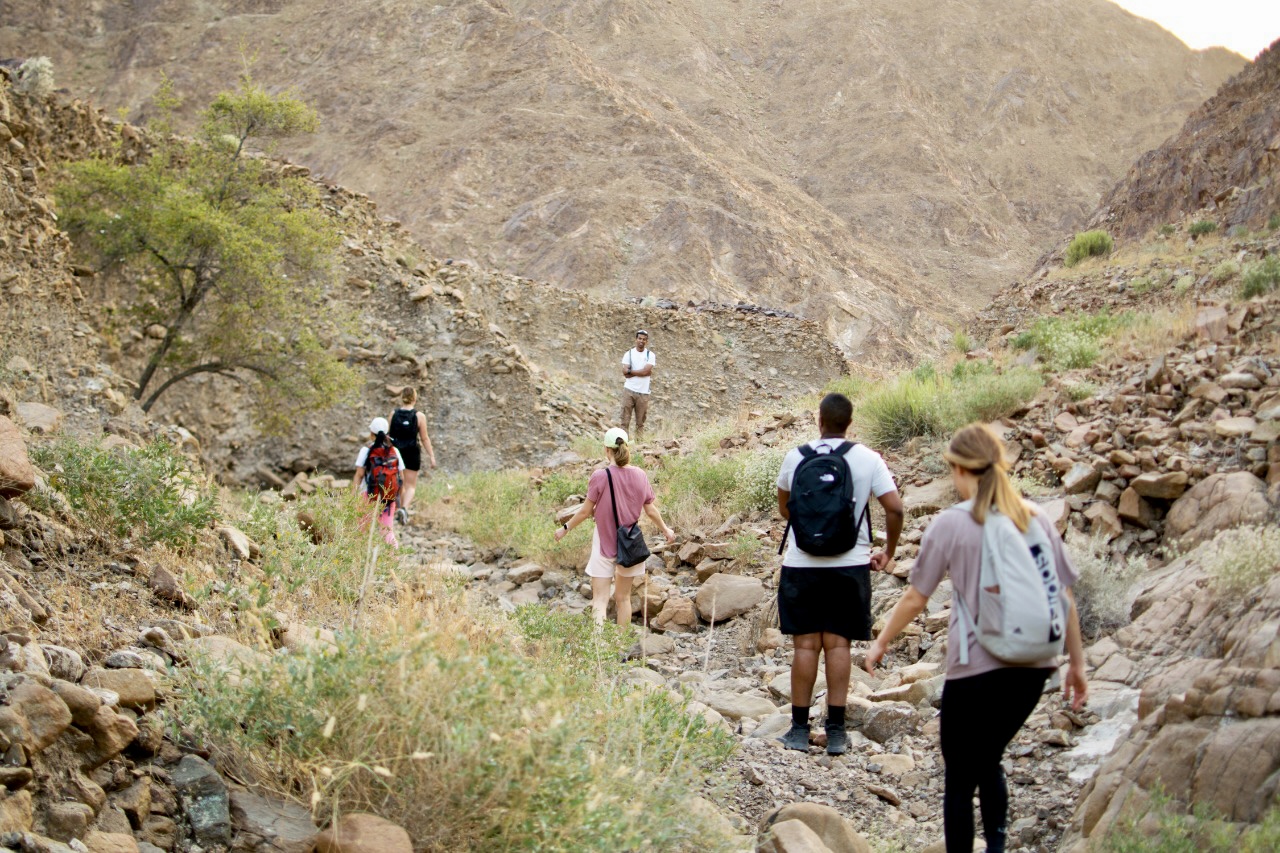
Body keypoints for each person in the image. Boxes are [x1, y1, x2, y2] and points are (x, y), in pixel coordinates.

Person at [864, 423, 1088, 853]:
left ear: (960, 470)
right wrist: (1076, 665)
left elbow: (915, 597)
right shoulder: (1035, 517)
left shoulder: (952, 523)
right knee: (988, 758)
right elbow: (1064, 596)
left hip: (976, 668)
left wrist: (880, 642)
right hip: (1036, 664)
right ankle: (998, 846)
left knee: (960, 778)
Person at [775, 392, 904, 755]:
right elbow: (894, 509)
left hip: (801, 564)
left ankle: (799, 730)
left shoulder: (796, 456)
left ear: (819, 420)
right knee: (838, 645)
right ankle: (835, 731)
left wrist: (812, 528)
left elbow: (786, 507)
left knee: (805, 645)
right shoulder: (867, 459)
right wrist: (888, 551)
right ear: (849, 423)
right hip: (850, 564)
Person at [555, 427, 675, 626]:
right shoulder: (639, 475)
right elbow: (651, 510)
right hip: (630, 544)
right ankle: (621, 648)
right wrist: (666, 530)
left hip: (604, 543)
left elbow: (585, 512)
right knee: (624, 599)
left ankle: (601, 650)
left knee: (600, 601)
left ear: (606, 450)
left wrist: (564, 528)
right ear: (626, 447)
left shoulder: (600, 476)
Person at [351, 417, 405, 546]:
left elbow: (359, 475)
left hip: (367, 495)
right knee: (387, 531)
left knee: (361, 529)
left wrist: (352, 497)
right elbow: (401, 478)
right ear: (387, 433)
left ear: (371, 433)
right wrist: (398, 500)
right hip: (388, 497)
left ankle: (359, 560)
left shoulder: (366, 451)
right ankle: (394, 560)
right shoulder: (395, 451)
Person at [387, 387, 437, 525]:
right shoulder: (419, 416)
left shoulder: (393, 414)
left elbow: (388, 435)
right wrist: (431, 456)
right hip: (412, 452)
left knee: (399, 483)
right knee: (411, 485)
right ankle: (404, 508)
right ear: (415, 398)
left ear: (401, 397)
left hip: (396, 453)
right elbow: (425, 438)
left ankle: (398, 510)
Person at [619, 330, 656, 438]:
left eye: (644, 339)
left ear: (647, 341)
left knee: (640, 422)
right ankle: (624, 444)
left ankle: (639, 445)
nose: (641, 341)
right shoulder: (629, 354)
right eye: (640, 338)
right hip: (629, 390)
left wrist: (632, 372)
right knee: (624, 420)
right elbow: (625, 373)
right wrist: (643, 373)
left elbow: (646, 371)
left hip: (643, 393)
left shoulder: (650, 355)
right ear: (636, 339)